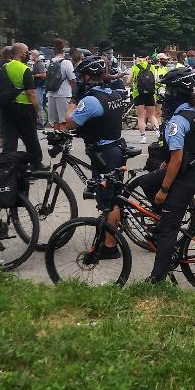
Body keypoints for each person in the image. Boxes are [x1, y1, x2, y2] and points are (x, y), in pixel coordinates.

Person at [138, 66, 195, 282]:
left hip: (189, 173)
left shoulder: (178, 121)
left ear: (176, 93)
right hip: (194, 167)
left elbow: (177, 159)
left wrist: (164, 190)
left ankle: (157, 278)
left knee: (168, 228)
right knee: (146, 181)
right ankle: (165, 215)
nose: (165, 96)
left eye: (168, 91)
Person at [62, 55, 130, 256]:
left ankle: (110, 246)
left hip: (104, 152)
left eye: (82, 77)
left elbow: (70, 122)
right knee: (113, 195)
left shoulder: (91, 100)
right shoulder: (115, 93)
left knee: (109, 201)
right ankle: (112, 231)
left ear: (87, 78)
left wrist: (74, 100)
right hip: (116, 146)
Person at [0, 42, 43, 168]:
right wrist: (38, 109)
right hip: (24, 107)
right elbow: (31, 92)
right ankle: (36, 162)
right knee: (30, 136)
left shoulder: (5, 67)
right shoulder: (24, 69)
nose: (28, 54)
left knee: (10, 136)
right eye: (27, 52)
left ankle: (8, 163)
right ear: (21, 54)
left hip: (8, 106)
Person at [46, 39, 76, 132]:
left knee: (55, 121)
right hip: (63, 94)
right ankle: (64, 144)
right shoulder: (66, 62)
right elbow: (72, 79)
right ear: (63, 51)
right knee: (63, 121)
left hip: (51, 94)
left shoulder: (49, 62)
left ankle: (56, 142)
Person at [129, 52, 160, 143]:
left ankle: (143, 137)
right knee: (151, 115)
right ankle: (158, 132)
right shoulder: (152, 67)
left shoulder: (134, 68)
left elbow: (128, 81)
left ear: (137, 58)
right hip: (150, 94)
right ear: (146, 58)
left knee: (141, 117)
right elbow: (157, 80)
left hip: (138, 94)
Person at [30, 49, 48, 127]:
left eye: (31, 54)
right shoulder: (35, 64)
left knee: (38, 104)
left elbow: (44, 75)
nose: (30, 56)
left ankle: (40, 121)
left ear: (35, 55)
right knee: (36, 104)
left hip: (39, 86)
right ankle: (37, 120)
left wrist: (34, 76)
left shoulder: (40, 64)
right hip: (35, 86)